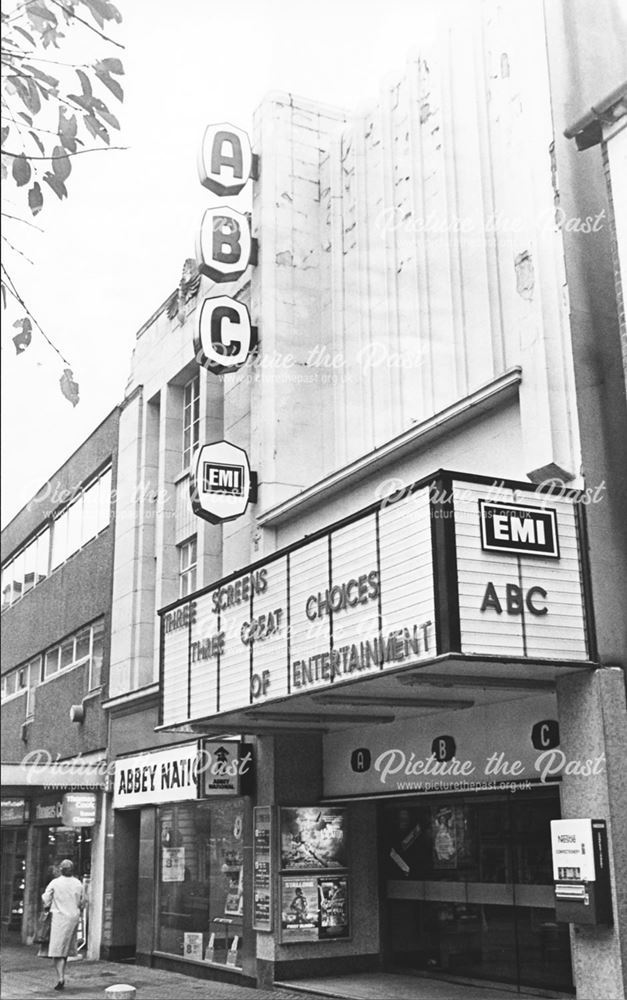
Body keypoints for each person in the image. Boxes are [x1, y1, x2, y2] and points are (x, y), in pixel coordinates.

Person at [41, 859, 85, 991]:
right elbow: (83, 902)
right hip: (72, 918)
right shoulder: (78, 883)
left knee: (57, 950)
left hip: (59, 918)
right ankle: (61, 975)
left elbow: (46, 898)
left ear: (61, 869)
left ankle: (60, 978)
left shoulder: (55, 883)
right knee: (64, 949)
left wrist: (47, 906)